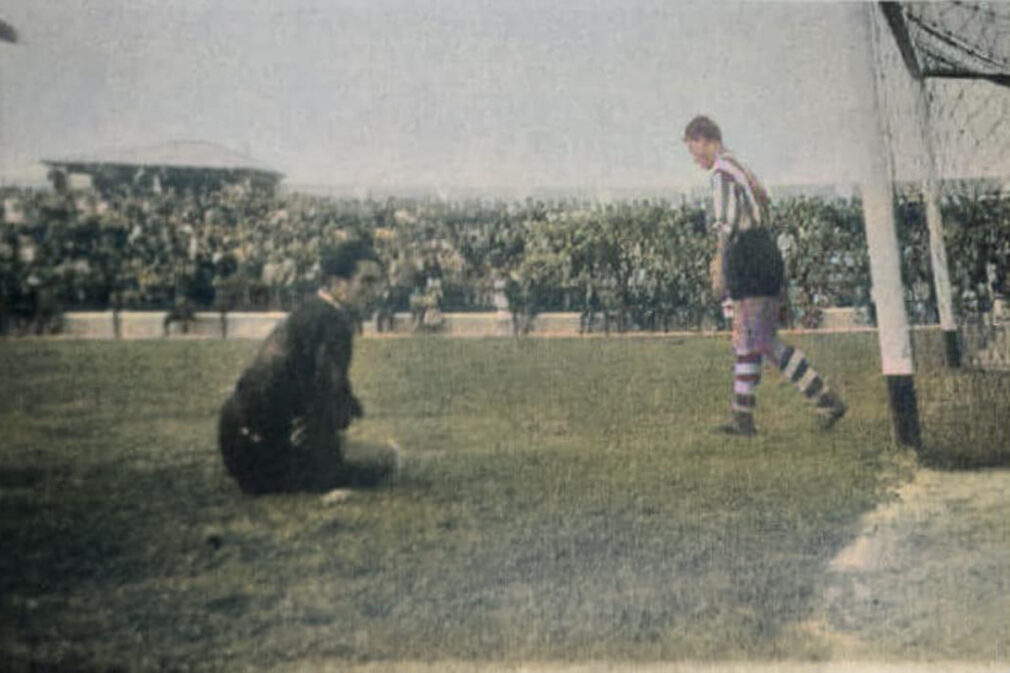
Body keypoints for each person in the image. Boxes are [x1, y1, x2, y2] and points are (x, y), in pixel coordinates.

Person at [682, 115, 846, 435]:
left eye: (694, 150)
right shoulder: (740, 167)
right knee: (747, 339)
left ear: (705, 139)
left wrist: (718, 267)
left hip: (749, 254)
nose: (695, 158)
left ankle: (826, 400)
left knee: (761, 339)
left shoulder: (721, 173)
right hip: (762, 250)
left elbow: (726, 226)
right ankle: (742, 417)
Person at [218, 239, 384, 493]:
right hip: (262, 452)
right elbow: (324, 398)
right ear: (338, 283)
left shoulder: (309, 309)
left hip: (236, 440)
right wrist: (329, 478)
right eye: (366, 282)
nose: (375, 292)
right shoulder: (334, 323)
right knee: (385, 458)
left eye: (377, 282)